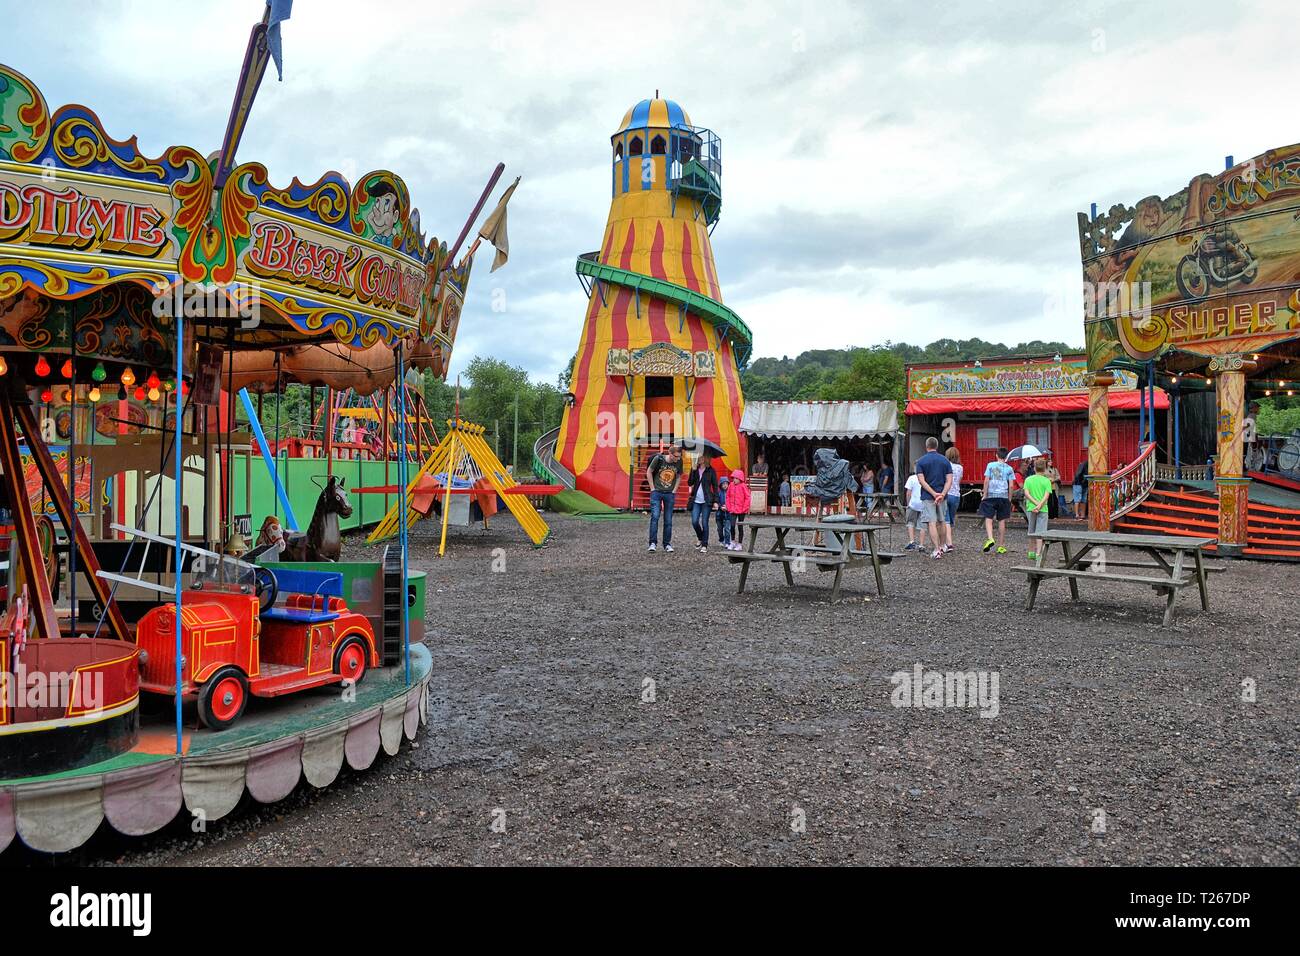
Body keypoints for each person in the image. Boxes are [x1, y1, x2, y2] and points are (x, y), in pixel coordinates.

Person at [915, 437, 953, 559]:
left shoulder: (921, 462)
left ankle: (936, 550)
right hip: (943, 496)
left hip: (927, 496)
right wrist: (941, 494)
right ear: (936, 446)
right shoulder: (945, 461)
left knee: (931, 522)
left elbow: (922, 481)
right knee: (942, 521)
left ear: (926, 446)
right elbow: (949, 480)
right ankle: (942, 546)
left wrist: (933, 493)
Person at [645, 444, 681, 553]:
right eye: (676, 456)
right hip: (657, 492)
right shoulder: (658, 459)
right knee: (655, 517)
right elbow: (649, 472)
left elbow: (679, 475)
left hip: (669, 493)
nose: (678, 458)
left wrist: (674, 490)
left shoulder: (679, 461)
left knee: (668, 520)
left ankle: (667, 544)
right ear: (670, 453)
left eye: (679, 456)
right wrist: (652, 488)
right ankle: (652, 543)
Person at [980, 447, 1016, 555]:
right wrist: (1009, 498)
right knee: (1002, 520)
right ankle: (1001, 546)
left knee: (988, 517)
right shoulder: (1009, 469)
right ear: (1006, 457)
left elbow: (986, 481)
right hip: (1003, 496)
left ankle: (990, 538)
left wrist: (984, 494)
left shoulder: (990, 465)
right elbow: (1011, 485)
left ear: (997, 455)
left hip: (991, 495)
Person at [687, 454, 719, 553]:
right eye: (697, 458)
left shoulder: (711, 471)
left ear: (706, 458)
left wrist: (716, 501)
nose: (699, 459)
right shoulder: (694, 469)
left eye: (701, 457)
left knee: (705, 522)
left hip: (707, 500)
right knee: (694, 521)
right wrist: (693, 470)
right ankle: (700, 537)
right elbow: (690, 483)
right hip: (696, 499)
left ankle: (704, 544)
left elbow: (715, 486)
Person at [1023, 458, 1053, 561]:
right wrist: (1039, 505)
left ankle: (1031, 552)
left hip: (1031, 508)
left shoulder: (1028, 480)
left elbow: (1027, 494)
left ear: (1034, 468)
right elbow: (1046, 496)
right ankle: (1038, 553)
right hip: (1043, 508)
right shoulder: (1046, 481)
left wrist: (1035, 504)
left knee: (1031, 529)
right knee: (1040, 531)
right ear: (1045, 469)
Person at [724, 467, 750, 550]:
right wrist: (728, 507)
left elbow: (747, 497)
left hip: (741, 510)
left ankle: (740, 544)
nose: (734, 480)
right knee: (732, 525)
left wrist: (744, 508)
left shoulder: (743, 486)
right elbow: (727, 496)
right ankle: (732, 541)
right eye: (733, 478)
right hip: (732, 510)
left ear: (740, 478)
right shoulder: (731, 485)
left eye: (736, 478)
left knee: (740, 527)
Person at [944, 447, 963, 547]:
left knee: (945, 519)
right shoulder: (960, 468)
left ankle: (949, 543)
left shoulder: (945, 466)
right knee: (951, 520)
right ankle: (948, 541)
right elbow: (958, 481)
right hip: (956, 495)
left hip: (946, 493)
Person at [903, 468, 924, 551]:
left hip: (913, 503)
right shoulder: (926, 478)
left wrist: (908, 504)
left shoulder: (912, 478)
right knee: (923, 525)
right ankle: (921, 544)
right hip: (923, 503)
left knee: (910, 522)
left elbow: (908, 493)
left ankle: (912, 542)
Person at [716, 475, 731, 546]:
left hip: (728, 514)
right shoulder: (719, 493)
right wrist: (720, 506)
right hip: (719, 514)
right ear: (720, 485)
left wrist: (728, 507)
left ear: (728, 484)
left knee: (727, 529)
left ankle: (727, 542)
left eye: (726, 483)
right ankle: (721, 539)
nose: (725, 485)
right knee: (719, 529)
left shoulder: (731, 493)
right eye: (723, 484)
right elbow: (716, 501)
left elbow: (732, 502)